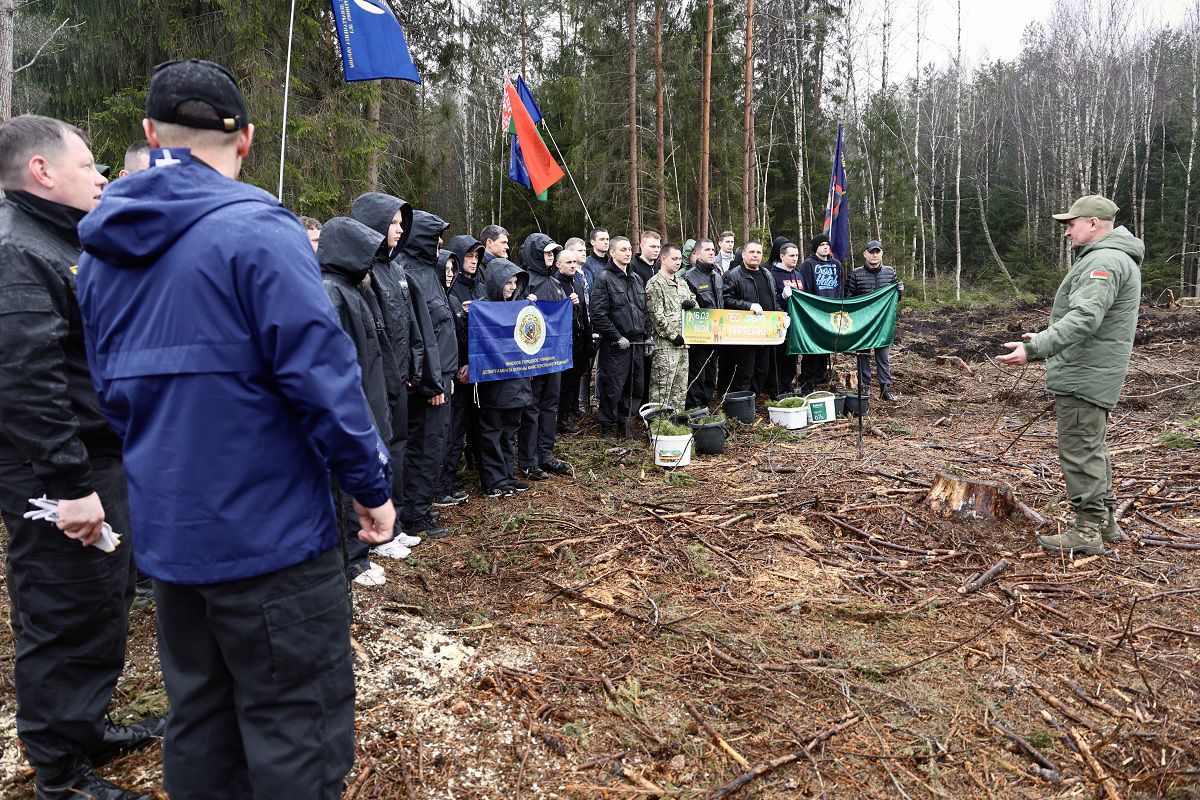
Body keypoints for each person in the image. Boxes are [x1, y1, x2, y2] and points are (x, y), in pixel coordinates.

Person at [75, 59, 396, 800]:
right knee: (295, 728)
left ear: (152, 134)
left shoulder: (98, 255)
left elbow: (111, 398)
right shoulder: (260, 231)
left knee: (201, 721)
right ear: (246, 140)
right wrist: (370, 487)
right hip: (273, 538)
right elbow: (322, 376)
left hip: (174, 534)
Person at [0, 114, 163, 800]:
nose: (102, 176)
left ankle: (82, 726)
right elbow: (25, 382)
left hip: (96, 460)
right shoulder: (17, 250)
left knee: (100, 600)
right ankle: (61, 775)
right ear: (42, 171)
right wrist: (70, 485)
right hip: (58, 473)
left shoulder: (59, 240)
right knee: (65, 608)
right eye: (90, 163)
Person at [996, 195, 1142, 555]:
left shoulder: (1105, 261)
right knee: (1092, 447)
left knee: (1079, 451)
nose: (1066, 232)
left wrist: (1035, 348)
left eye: (1071, 224)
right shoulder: (1110, 257)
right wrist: (1045, 337)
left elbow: (1085, 319)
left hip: (1086, 374)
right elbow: (1088, 318)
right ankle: (1106, 524)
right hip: (1089, 369)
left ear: (1093, 223)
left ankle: (1087, 530)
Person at [317, 218, 402, 582]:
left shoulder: (352, 291)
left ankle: (358, 553)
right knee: (346, 483)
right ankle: (353, 560)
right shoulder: (331, 293)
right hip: (354, 406)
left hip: (368, 398)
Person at [350, 192, 433, 554]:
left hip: (399, 382)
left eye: (402, 224)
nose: (399, 231)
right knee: (377, 455)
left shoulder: (397, 271)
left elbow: (412, 327)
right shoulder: (362, 274)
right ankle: (375, 534)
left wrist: (413, 370)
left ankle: (393, 524)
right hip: (373, 384)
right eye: (393, 223)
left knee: (396, 453)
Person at [395, 210, 458, 539]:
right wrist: (432, 381)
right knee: (424, 447)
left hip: (441, 378)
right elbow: (419, 336)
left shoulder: (428, 272)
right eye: (435, 236)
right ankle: (415, 514)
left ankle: (420, 506)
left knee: (433, 446)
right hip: (428, 385)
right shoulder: (411, 274)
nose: (439, 242)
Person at [476, 259, 535, 497]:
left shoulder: (519, 308)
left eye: (514, 283)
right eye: (507, 282)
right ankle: (494, 481)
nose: (511, 287)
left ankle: (507, 476)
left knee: (509, 431)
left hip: (517, 383)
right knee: (492, 432)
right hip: (493, 384)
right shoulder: (482, 308)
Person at [436, 234, 486, 506]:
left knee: (474, 425)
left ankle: (467, 472)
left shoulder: (480, 285)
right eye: (468, 256)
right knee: (453, 429)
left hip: (479, 367)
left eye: (477, 257)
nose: (474, 261)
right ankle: (445, 480)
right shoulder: (449, 290)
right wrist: (459, 365)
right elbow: (450, 335)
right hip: (457, 370)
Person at [518, 233, 572, 478]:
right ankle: (528, 460)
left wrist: (572, 303)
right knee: (532, 407)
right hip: (533, 357)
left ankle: (545, 455)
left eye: (552, 253)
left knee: (550, 405)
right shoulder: (525, 282)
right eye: (546, 253)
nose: (550, 257)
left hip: (554, 357)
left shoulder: (554, 282)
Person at [590, 236, 650, 438]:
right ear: (612, 253)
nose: (627, 253)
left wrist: (647, 335)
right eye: (622, 249)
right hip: (616, 346)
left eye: (629, 249)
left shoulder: (636, 279)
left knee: (635, 387)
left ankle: (627, 425)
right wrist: (616, 336)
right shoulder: (604, 278)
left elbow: (645, 310)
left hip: (637, 344)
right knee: (613, 387)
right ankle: (607, 427)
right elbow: (598, 314)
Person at [845, 239, 903, 400]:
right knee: (863, 356)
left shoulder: (890, 272)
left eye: (877, 252)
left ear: (882, 253)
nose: (874, 255)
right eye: (871, 252)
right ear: (865, 254)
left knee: (883, 357)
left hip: (883, 323)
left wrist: (899, 290)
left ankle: (885, 389)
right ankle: (865, 388)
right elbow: (848, 298)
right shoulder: (855, 274)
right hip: (862, 323)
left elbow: (895, 298)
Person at [723, 240, 779, 395]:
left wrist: (781, 315)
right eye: (752, 252)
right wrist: (748, 306)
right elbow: (726, 299)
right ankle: (741, 401)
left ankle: (752, 398)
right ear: (744, 254)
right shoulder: (734, 275)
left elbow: (773, 299)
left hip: (766, 331)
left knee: (763, 369)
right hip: (745, 332)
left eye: (759, 252)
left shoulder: (766, 273)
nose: (755, 255)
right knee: (745, 370)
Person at [646, 244, 697, 412]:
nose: (678, 263)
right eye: (674, 259)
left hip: (684, 344)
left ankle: (675, 425)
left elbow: (694, 303)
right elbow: (655, 315)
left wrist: (692, 304)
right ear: (663, 259)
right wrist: (673, 335)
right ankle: (658, 427)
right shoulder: (655, 284)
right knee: (662, 388)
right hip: (665, 346)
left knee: (679, 389)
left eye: (680, 259)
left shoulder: (682, 283)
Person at [797, 233, 843, 392]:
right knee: (812, 346)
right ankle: (807, 380)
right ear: (816, 247)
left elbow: (840, 287)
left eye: (827, 244)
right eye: (822, 244)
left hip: (831, 312)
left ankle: (821, 377)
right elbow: (806, 287)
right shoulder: (808, 264)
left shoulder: (836, 264)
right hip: (814, 311)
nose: (825, 247)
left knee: (826, 346)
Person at [555, 246, 592, 434]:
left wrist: (588, 342)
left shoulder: (577, 285)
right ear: (558, 264)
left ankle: (569, 412)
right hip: (562, 342)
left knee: (574, 379)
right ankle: (560, 419)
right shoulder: (555, 285)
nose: (572, 266)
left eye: (574, 262)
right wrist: (567, 305)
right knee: (563, 383)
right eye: (568, 262)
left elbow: (584, 316)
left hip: (579, 339)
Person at [683, 239, 723, 409]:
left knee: (711, 371)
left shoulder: (717, 275)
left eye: (713, 249)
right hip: (698, 334)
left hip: (716, 332)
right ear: (697, 254)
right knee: (697, 372)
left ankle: (706, 403)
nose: (711, 252)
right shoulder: (689, 277)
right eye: (707, 249)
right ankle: (695, 406)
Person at [767, 240, 804, 394]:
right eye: (791, 256)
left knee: (792, 357)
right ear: (782, 256)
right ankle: (775, 388)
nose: (794, 259)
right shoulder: (771, 274)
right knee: (778, 357)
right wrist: (782, 296)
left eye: (796, 255)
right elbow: (769, 298)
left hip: (796, 324)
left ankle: (786, 385)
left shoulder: (799, 275)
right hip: (779, 323)